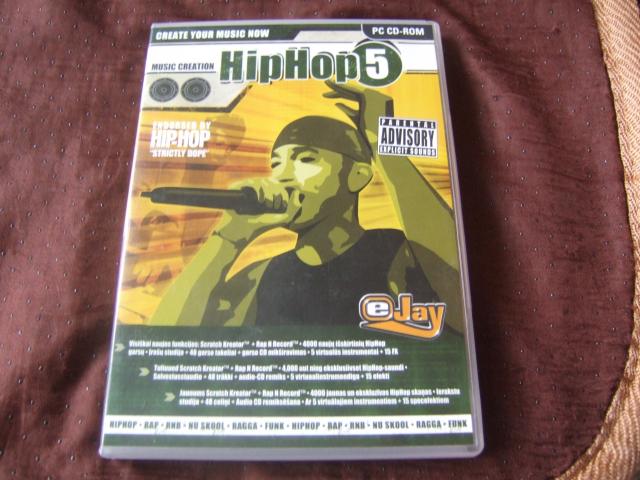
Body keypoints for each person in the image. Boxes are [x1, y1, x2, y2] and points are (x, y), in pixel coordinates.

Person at [149, 83, 463, 331]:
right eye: (276, 164)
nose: (282, 176)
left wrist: (383, 147)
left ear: (357, 176)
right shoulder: (261, 276)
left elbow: (457, 290)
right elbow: (166, 345)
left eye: (306, 159)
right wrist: (229, 237)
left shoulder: (393, 250)